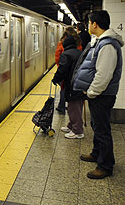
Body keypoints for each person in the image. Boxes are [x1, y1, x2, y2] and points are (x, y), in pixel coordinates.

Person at [73, 10, 124, 179]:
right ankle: (96, 154)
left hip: (102, 95)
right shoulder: (101, 42)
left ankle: (105, 166)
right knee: (97, 126)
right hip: (99, 95)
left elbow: (103, 75)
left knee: (102, 130)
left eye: (89, 23)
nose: (88, 26)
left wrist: (92, 92)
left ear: (95, 24)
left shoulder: (108, 45)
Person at [52, 35, 85, 138]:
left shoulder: (66, 54)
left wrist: (55, 79)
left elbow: (62, 69)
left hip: (72, 84)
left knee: (74, 107)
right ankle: (71, 125)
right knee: (74, 106)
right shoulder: (79, 53)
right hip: (79, 83)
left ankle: (77, 131)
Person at [55, 27, 82, 113]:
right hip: (75, 71)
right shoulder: (78, 42)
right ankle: (70, 106)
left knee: (63, 88)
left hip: (64, 69)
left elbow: (57, 56)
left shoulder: (62, 42)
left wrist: (59, 66)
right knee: (72, 90)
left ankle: (61, 107)